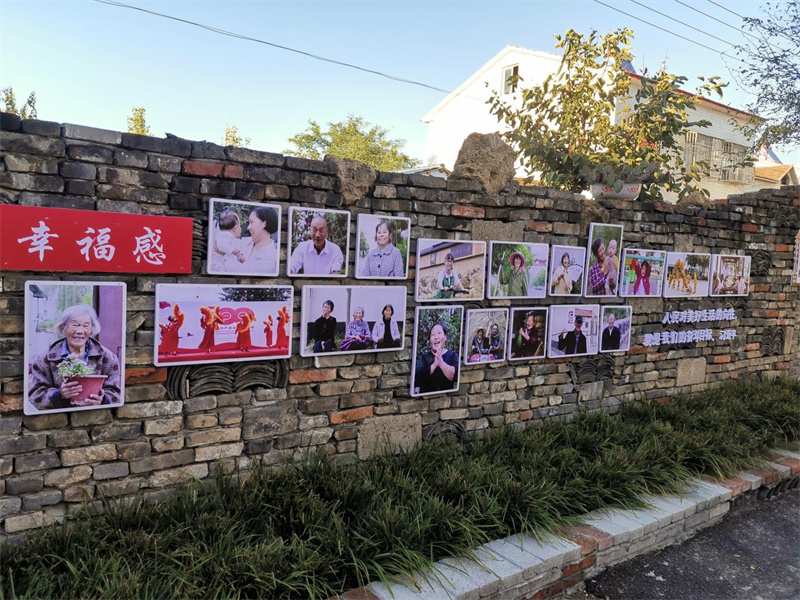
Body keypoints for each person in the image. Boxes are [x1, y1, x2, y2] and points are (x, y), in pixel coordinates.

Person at [28, 304, 122, 411]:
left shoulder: (108, 358)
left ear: (92, 329)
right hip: (59, 419)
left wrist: (103, 399)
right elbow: (35, 395)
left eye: (86, 326)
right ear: (63, 328)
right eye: (75, 325)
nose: (80, 331)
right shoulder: (44, 359)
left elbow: (116, 394)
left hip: (95, 417)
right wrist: (59, 394)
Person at [414, 322, 459, 394]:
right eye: (433, 334)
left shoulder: (452, 355)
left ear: (445, 337)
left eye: (439, 333)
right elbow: (418, 379)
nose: (436, 337)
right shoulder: (423, 358)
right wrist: (434, 365)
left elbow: (455, 375)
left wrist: (441, 364)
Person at [236, 206, 279, 275]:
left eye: (252, 222)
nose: (248, 227)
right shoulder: (245, 242)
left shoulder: (270, 258)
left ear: (264, 224)